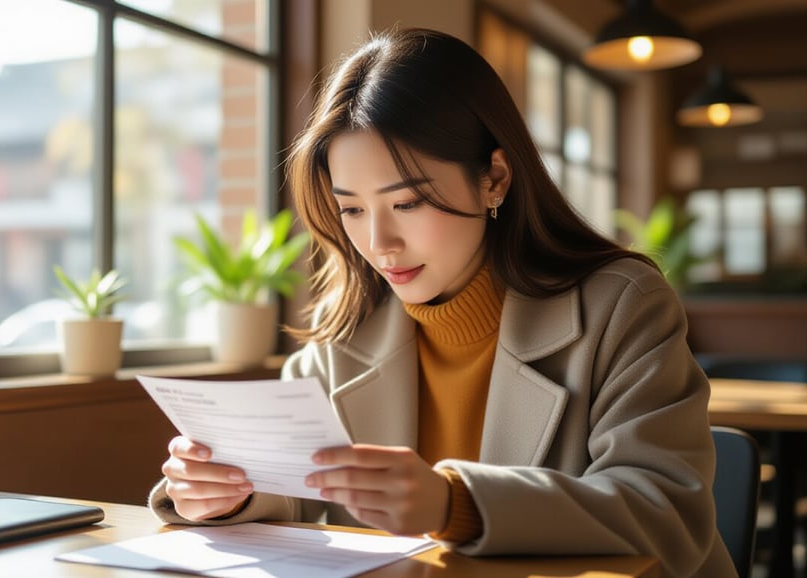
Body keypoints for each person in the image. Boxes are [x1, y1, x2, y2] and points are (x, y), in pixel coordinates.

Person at [149, 28, 733, 578]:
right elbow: (302, 498)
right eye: (352, 209)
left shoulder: (621, 305)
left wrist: (456, 503)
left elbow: (667, 514)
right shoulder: (340, 336)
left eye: (407, 203)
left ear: (494, 179)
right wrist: (229, 495)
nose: (379, 243)